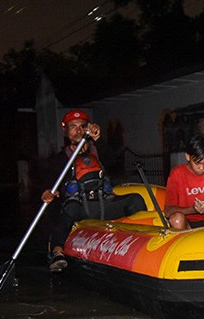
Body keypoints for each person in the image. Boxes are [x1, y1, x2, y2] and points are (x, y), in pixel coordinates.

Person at [42, 109, 146, 272]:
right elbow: (50, 185)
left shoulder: (97, 150)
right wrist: (48, 193)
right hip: (80, 208)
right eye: (73, 127)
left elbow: (113, 163)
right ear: (66, 130)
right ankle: (57, 251)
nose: (78, 130)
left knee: (136, 200)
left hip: (104, 203)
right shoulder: (61, 159)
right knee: (67, 209)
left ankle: (141, 243)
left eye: (82, 126)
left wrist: (98, 139)